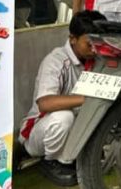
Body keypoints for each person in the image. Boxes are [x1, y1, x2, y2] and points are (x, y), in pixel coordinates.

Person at [18, 10, 105, 186]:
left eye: (98, 44)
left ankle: (71, 156)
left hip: (76, 129)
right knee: (63, 117)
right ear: (72, 39)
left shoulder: (97, 58)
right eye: (89, 44)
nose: (94, 49)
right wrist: (88, 98)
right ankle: (51, 161)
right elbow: (45, 103)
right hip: (37, 133)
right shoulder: (56, 61)